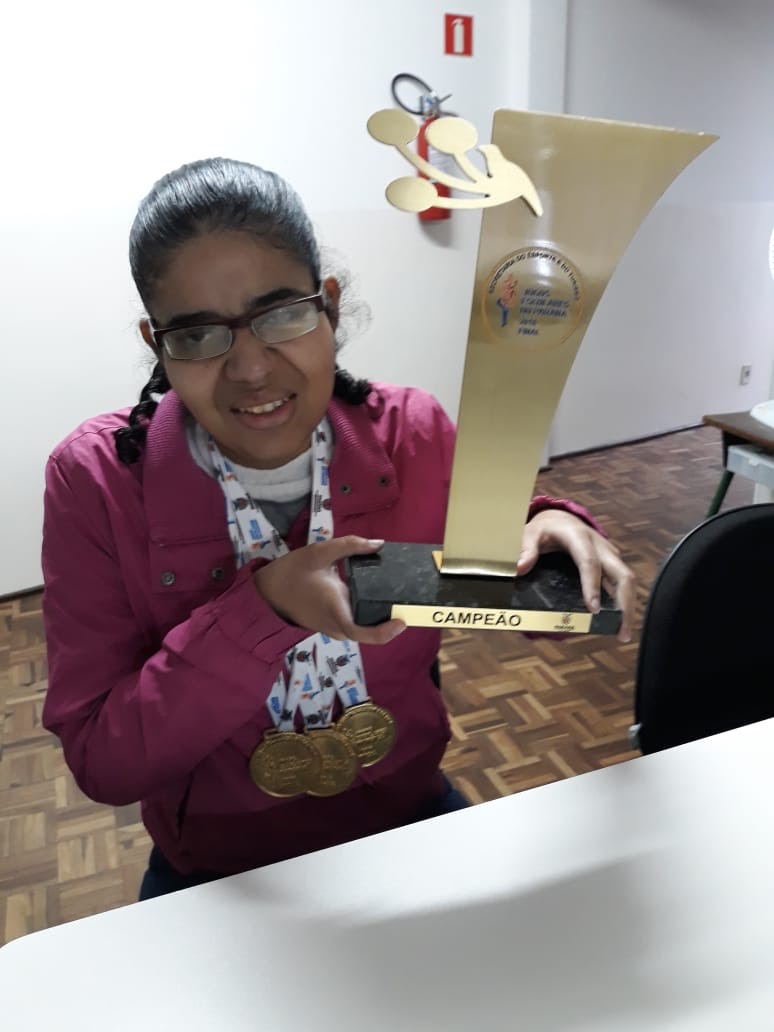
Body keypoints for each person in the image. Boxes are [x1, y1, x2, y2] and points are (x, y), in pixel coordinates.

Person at [41, 158, 635, 900]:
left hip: (410, 823)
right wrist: (265, 613)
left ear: (327, 304)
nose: (251, 368)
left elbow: (542, 608)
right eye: (198, 336)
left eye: (281, 314)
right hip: (223, 875)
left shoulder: (413, 434)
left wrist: (554, 526)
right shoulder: (98, 481)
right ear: (158, 343)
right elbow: (105, 761)